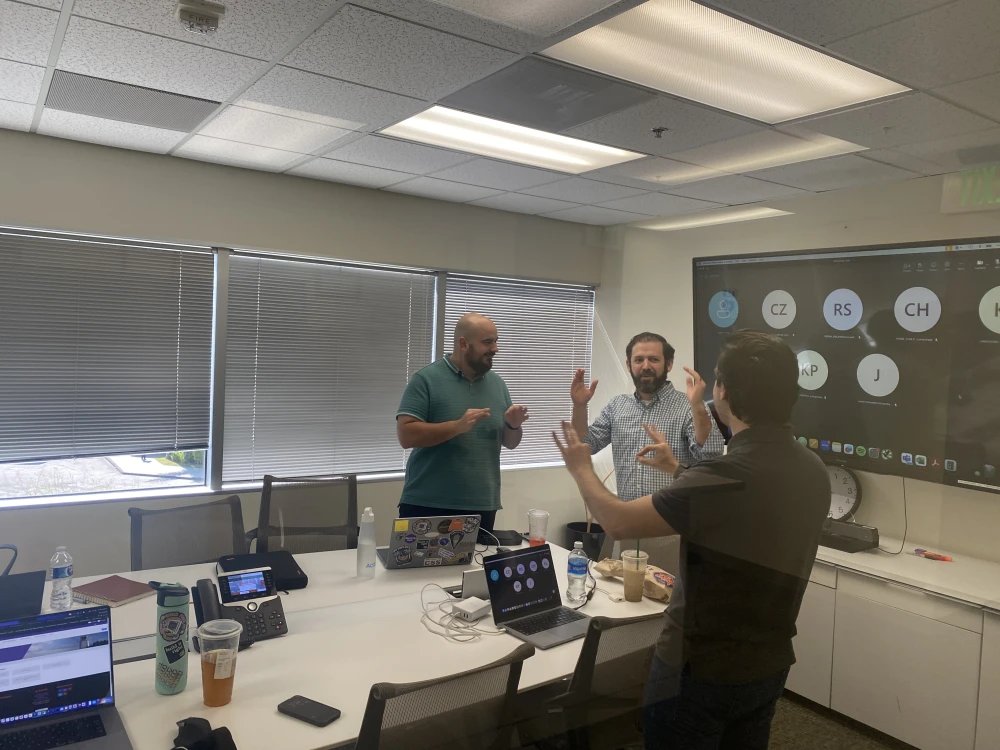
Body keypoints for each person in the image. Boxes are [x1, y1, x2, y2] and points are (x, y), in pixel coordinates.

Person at [554, 330, 829, 750]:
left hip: (700, 668)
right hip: (768, 661)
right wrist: (679, 472)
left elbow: (618, 523)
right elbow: (735, 504)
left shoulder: (725, 474)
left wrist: (580, 470)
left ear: (723, 393)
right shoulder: (813, 468)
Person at [395, 313, 529, 532]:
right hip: (427, 504)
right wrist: (456, 427)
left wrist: (513, 425)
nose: (495, 348)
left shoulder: (498, 384)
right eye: (487, 342)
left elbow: (510, 443)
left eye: (496, 341)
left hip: (482, 505)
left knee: (473, 568)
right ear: (463, 343)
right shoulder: (426, 379)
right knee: (422, 568)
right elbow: (406, 435)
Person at [571, 332, 724, 502]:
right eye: (639, 360)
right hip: (627, 517)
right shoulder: (617, 406)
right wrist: (579, 406)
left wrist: (697, 406)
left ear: (669, 364)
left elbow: (711, 458)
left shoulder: (689, 406)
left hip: (673, 520)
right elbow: (585, 445)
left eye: (654, 359)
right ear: (629, 365)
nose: (645, 366)